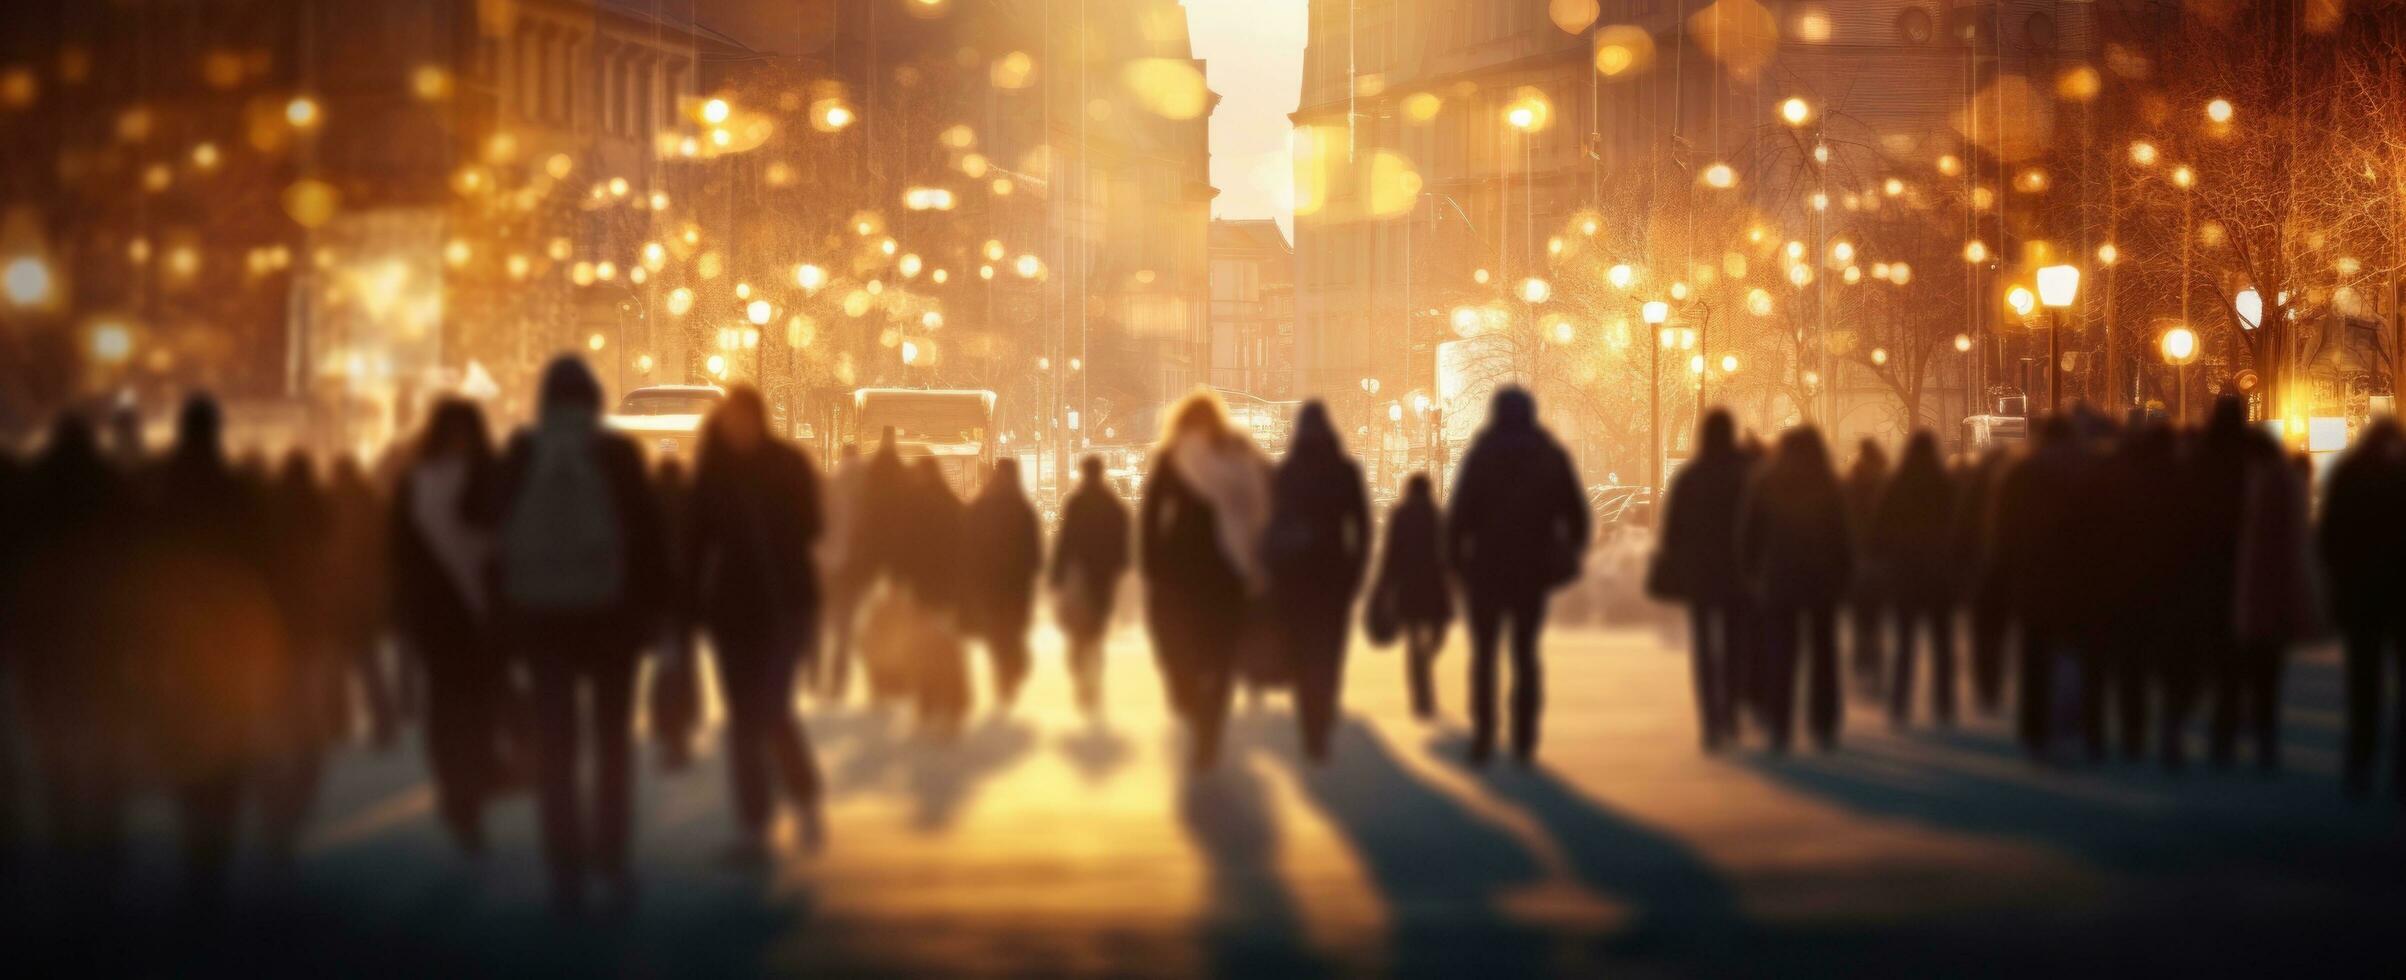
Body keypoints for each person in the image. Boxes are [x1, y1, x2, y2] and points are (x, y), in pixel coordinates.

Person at [485, 357, 667, 915]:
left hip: (543, 623)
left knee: (556, 750)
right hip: (611, 620)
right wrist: (654, 618)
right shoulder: (617, 454)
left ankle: (564, 868)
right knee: (613, 746)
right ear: (594, 400)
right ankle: (610, 857)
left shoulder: (522, 452)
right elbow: (648, 541)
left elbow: (496, 534)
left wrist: (505, 624)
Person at [145, 394, 283, 911]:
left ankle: (193, 824)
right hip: (229, 628)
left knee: (184, 726)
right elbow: (266, 559)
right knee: (226, 728)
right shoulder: (237, 490)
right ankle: (216, 831)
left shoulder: (158, 490)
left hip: (175, 630)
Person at [683, 387, 826, 858]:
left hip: (785, 607)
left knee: (771, 707)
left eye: (745, 418)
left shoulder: (786, 463)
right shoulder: (714, 473)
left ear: (759, 419)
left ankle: (803, 797)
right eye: (731, 419)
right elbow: (694, 543)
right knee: (744, 719)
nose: (738, 427)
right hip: (733, 611)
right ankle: (753, 822)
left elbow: (813, 526)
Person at [7, 416, 136, 908]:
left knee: (50, 719)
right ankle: (103, 820)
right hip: (100, 624)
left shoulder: (32, 487)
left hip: (43, 625)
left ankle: (62, 812)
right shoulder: (109, 485)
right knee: (102, 718)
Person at [389, 399, 518, 854]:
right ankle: (462, 792)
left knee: (461, 709)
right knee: (456, 708)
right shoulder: (490, 481)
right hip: (457, 615)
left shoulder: (417, 484)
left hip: (455, 616)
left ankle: (465, 792)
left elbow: (399, 554)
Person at [1445, 387, 1588, 765]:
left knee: (1485, 656)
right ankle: (1524, 737)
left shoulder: (1481, 457)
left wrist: (1458, 566)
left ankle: (1485, 734)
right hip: (1532, 571)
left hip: (1486, 571)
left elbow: (1459, 517)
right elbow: (1577, 517)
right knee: (1525, 654)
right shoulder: (1550, 456)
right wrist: (1564, 552)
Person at [1141, 390, 1270, 770]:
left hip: (1180, 572)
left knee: (1183, 653)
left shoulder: (1173, 457)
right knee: (1220, 655)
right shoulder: (1235, 460)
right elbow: (1256, 512)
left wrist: (1152, 565)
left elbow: (1151, 516)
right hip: (1225, 572)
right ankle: (1209, 727)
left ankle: (1196, 713)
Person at [1264, 402, 1370, 762]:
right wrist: (1355, 571)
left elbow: (1271, 527)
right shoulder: (1345, 471)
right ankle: (1321, 718)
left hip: (1294, 581)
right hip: (1334, 578)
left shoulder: (1288, 472)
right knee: (1329, 652)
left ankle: (1310, 723)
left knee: (1301, 651)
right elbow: (1362, 526)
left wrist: (1274, 575)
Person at [1736, 428, 1852, 753]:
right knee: (1823, 653)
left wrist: (1752, 574)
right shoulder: (1827, 482)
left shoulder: (1766, 480)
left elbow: (1750, 533)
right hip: (1820, 578)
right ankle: (1823, 721)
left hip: (1779, 578)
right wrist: (1843, 575)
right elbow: (1841, 535)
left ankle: (1780, 723)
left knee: (1781, 653)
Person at [1989, 415, 2098, 760]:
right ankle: (2084, 725)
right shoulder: (2091, 471)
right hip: (2082, 578)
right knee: (2082, 651)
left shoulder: (2021, 473)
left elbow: (2004, 532)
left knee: (2034, 654)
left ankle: (2034, 727)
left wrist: (2002, 577)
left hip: (2033, 576)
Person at [1653, 410, 1752, 749]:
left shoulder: (1690, 477)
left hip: (1700, 575)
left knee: (1704, 647)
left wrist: (1677, 559)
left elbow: (1672, 531)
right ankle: (1730, 713)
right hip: (1737, 574)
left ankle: (1710, 719)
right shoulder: (1745, 475)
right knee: (1735, 646)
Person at [2320, 419, 2406, 798]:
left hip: (2360, 598)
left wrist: (2336, 584)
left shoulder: (2350, 474)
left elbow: (2330, 536)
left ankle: (2360, 761)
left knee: (2363, 684)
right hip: (2400, 597)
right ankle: (2400, 767)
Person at [2230, 430, 2318, 773]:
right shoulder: (2287, 484)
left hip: (2255, 594)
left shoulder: (2254, 485)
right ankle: (2263, 729)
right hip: (2277, 594)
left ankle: (2252, 723)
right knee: (2269, 668)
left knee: (2253, 663)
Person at [1870, 432, 1957, 726]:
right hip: (1940, 573)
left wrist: (1885, 561)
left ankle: (1900, 702)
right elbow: (1960, 529)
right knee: (1942, 642)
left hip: (1905, 572)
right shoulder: (1945, 485)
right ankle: (1944, 702)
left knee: (1905, 641)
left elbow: (1879, 529)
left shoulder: (1895, 485)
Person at [1051, 456, 1131, 718]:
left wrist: (1057, 574)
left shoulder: (1076, 504)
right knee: (1095, 629)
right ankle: (1092, 676)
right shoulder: (1113, 505)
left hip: (1080, 575)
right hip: (1103, 577)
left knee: (1078, 631)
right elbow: (1123, 542)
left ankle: (1082, 675)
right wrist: (1120, 568)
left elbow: (1065, 540)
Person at [1369, 473, 1453, 720]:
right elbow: (1449, 555)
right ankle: (1424, 683)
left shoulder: (1400, 515)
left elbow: (1390, 554)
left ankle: (1421, 695)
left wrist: (1384, 586)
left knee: (1414, 639)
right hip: (1435, 587)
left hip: (1409, 588)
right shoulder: (1438, 516)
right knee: (1437, 635)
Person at [963, 459, 1043, 709]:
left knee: (997, 632)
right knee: (1012, 629)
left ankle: (1004, 673)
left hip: (991, 583)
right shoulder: (1023, 508)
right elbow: (1034, 551)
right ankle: (1012, 668)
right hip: (1016, 584)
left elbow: (968, 544)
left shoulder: (981, 506)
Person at [816, 442, 869, 699]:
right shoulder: (867, 488)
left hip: (830, 567)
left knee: (828, 621)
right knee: (846, 625)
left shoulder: (832, 485)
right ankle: (840, 675)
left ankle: (819, 672)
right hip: (855, 568)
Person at [1841, 439, 1891, 694]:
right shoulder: (1886, 484)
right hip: (1881, 559)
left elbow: (1840, 525)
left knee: (1860, 618)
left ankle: (1862, 663)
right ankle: (1876, 668)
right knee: (1876, 618)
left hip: (1855, 559)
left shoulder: (1848, 485)